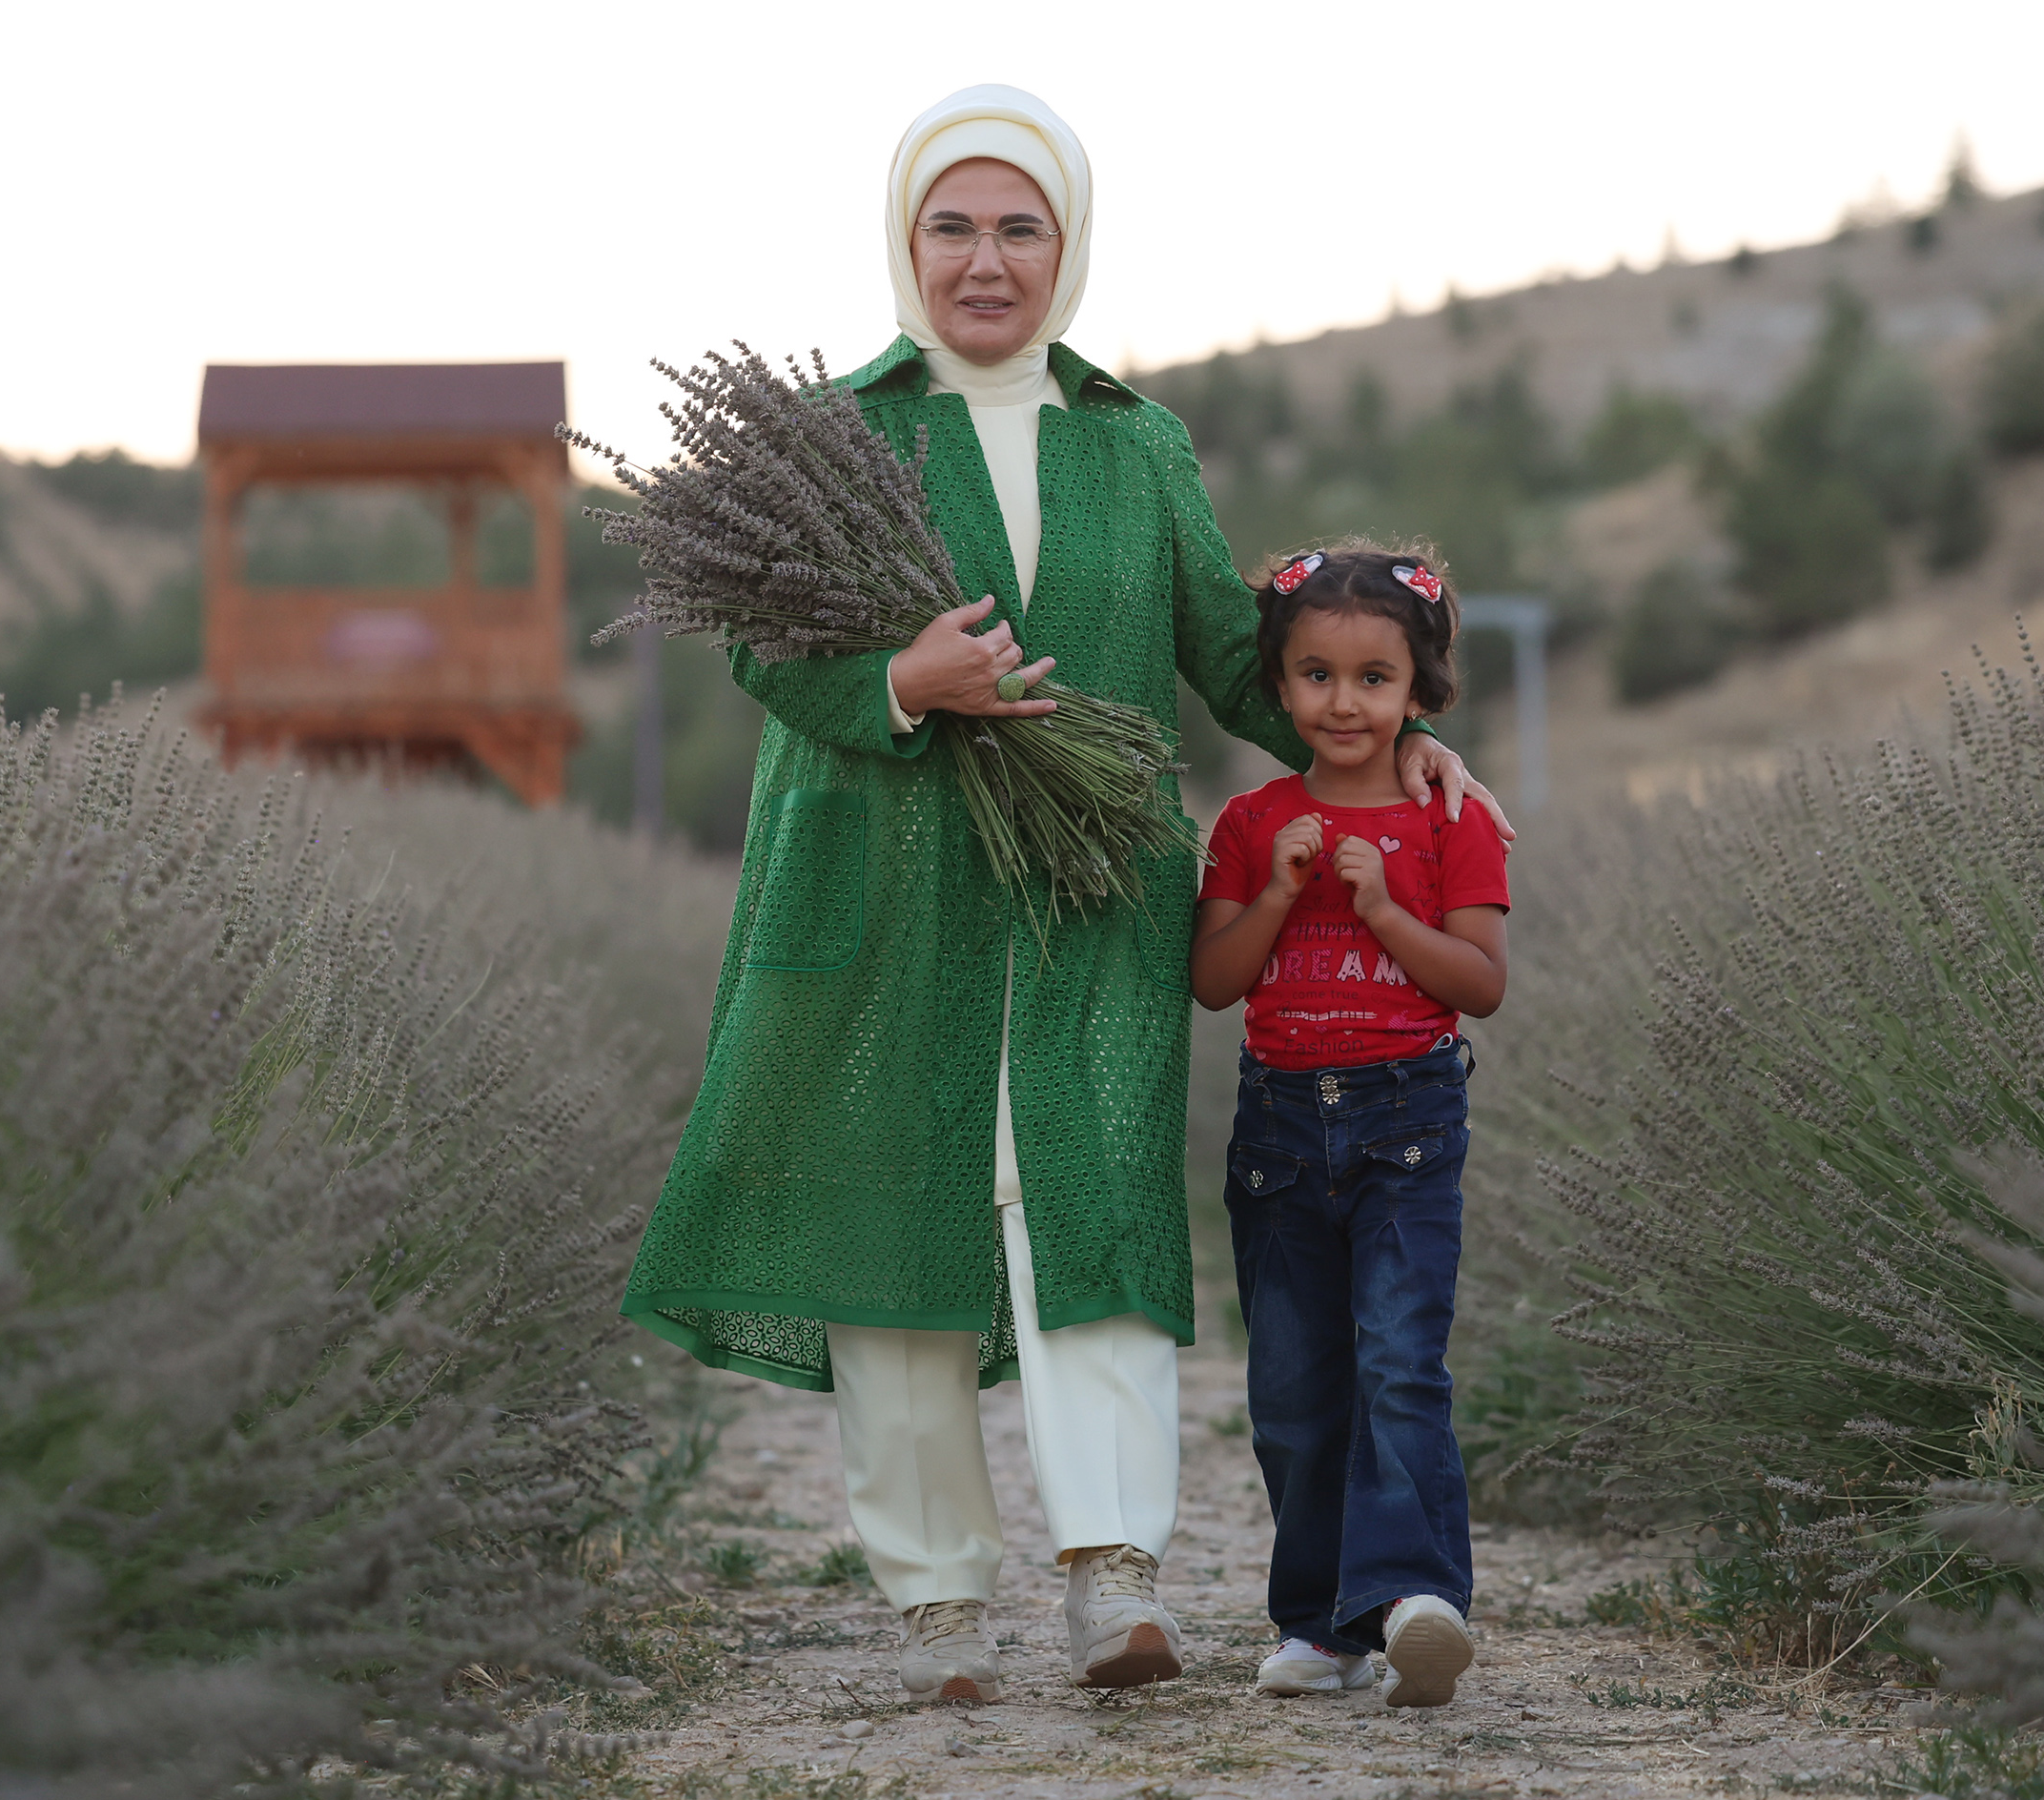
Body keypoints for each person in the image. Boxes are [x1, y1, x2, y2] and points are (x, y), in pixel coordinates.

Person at [620, 87, 1509, 1705]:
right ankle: (936, 1597)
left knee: (1089, 1208)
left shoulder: (1134, 440)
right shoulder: (828, 434)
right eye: (951, 225)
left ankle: (1114, 1576)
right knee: (899, 1219)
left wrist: (1404, 740)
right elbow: (763, 648)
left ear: (1067, 244)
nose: (984, 259)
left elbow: (1237, 655)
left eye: (1018, 225)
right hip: (880, 881)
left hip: (1092, 888)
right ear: (905, 242)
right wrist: (902, 675)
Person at [1190, 542, 1509, 1709]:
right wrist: (1277, 890)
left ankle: (1420, 1602)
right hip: (1279, 1135)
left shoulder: (1449, 817)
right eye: (1315, 674)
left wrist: (1379, 906)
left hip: (1408, 1128)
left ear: (1420, 692)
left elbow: (1479, 982)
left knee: (1399, 1367)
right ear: (1277, 685)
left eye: (1375, 678)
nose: (1344, 701)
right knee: (1292, 1388)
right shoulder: (1249, 820)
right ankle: (1322, 1628)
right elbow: (1215, 980)